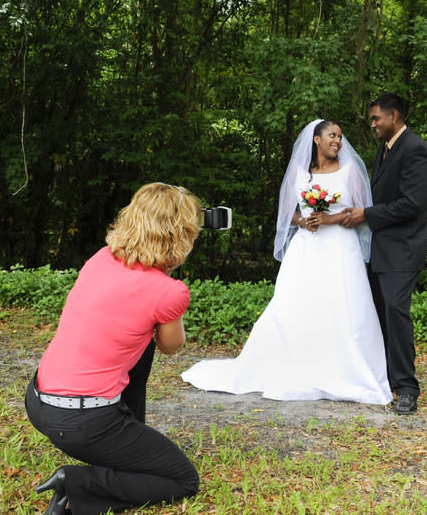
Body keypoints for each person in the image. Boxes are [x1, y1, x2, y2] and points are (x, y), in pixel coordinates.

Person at [181, 119, 392, 405]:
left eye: (340, 137)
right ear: (316, 139)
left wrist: (330, 218)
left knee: (343, 305)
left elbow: (362, 212)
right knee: (295, 305)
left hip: (341, 250)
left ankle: (344, 368)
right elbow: (287, 214)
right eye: (332, 135)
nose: (338, 141)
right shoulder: (298, 174)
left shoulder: (350, 171)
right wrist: (303, 221)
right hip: (306, 248)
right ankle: (294, 363)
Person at [25, 182, 201, 515]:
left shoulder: (101, 258)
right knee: (183, 479)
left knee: (138, 340)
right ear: (181, 236)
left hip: (38, 403)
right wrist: (171, 291)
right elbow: (172, 346)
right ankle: (74, 487)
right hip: (83, 423)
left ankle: (128, 436)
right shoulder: (169, 291)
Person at [342, 93, 427, 415]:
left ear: (394, 116)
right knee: (378, 312)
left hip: (405, 248)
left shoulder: (415, 150)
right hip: (381, 248)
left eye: (376, 118)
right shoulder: (385, 149)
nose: (373, 124)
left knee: (396, 312)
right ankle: (384, 378)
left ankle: (408, 388)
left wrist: (366, 214)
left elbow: (412, 204)